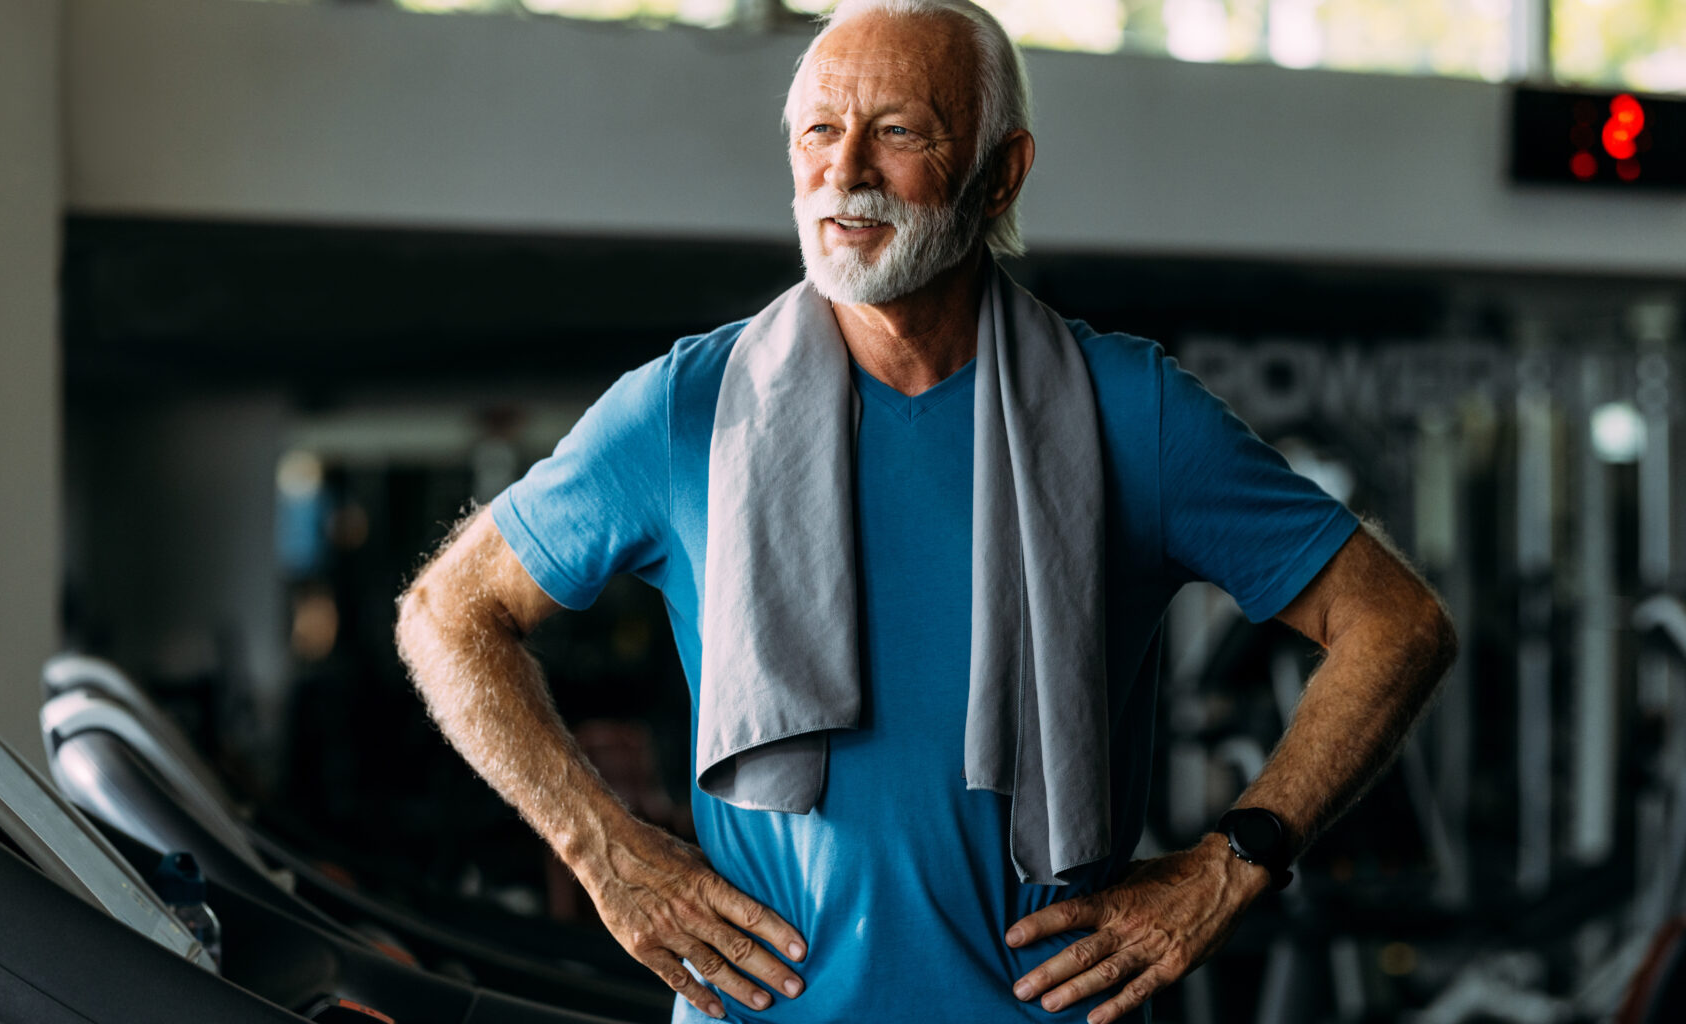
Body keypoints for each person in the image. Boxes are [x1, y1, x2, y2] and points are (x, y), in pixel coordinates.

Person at [394, 1, 1456, 1021]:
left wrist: (1235, 865)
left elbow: (1397, 623)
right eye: (819, 129)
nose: (844, 171)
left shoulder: (1132, 411)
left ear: (1001, 175)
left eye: (897, 131)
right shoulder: (690, 410)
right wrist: (606, 852)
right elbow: (447, 614)